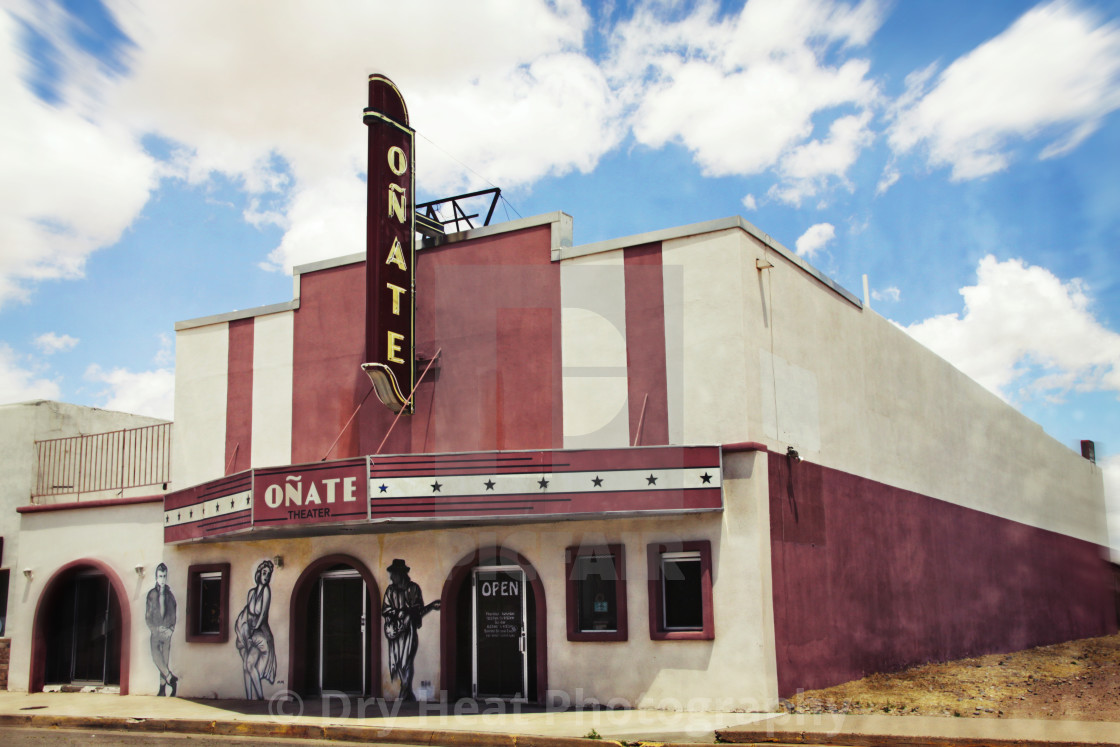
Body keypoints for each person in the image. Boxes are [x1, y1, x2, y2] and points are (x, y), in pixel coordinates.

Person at [381, 559, 439, 701]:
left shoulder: (413, 588)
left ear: (401, 574)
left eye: (394, 574)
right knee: (398, 661)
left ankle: (405, 692)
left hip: (409, 631)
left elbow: (417, 609)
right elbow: (385, 609)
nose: (391, 577)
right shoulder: (390, 590)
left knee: (407, 660)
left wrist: (429, 607)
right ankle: (405, 692)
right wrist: (397, 613)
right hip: (395, 631)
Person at [235, 559, 276, 700]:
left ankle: (259, 697)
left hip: (261, 633)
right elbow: (247, 614)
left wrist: (254, 629)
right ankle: (249, 698)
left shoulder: (266, 591)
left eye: (269, 574)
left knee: (249, 664)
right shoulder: (251, 593)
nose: (266, 576)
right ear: (259, 573)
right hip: (250, 632)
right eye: (264, 573)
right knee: (246, 666)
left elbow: (263, 614)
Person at [145, 563, 177, 696]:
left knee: (164, 659)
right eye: (160, 576)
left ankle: (162, 689)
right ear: (156, 577)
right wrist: (153, 629)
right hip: (155, 632)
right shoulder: (151, 594)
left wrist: (171, 629)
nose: (162, 579)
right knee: (156, 656)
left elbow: (173, 614)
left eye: (164, 576)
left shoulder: (170, 596)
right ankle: (170, 677)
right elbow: (147, 616)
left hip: (167, 633)